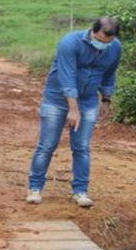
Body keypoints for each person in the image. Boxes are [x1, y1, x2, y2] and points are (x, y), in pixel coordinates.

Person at [26, 17, 122, 207]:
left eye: (108, 42)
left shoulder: (115, 47)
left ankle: (80, 191)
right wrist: (73, 109)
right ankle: (35, 188)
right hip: (57, 100)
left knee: (82, 147)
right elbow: (67, 76)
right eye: (100, 41)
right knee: (47, 145)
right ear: (92, 32)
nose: (103, 45)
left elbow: (110, 73)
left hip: (87, 101)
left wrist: (106, 99)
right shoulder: (70, 43)